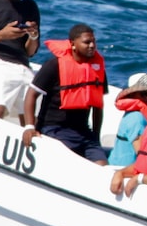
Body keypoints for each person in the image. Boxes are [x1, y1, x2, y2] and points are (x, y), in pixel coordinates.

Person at [20, 24, 107, 162]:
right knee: (69, 162)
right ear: (73, 44)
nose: (92, 45)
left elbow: (97, 106)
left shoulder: (96, 69)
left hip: (84, 132)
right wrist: (29, 126)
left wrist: (95, 136)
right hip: (54, 129)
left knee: (102, 166)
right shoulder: (54, 65)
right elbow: (31, 95)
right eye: (86, 42)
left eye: (93, 42)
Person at [108, 73, 147, 169]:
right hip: (123, 169)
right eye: (144, 94)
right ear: (132, 94)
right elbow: (142, 154)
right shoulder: (136, 118)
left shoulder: (137, 114)